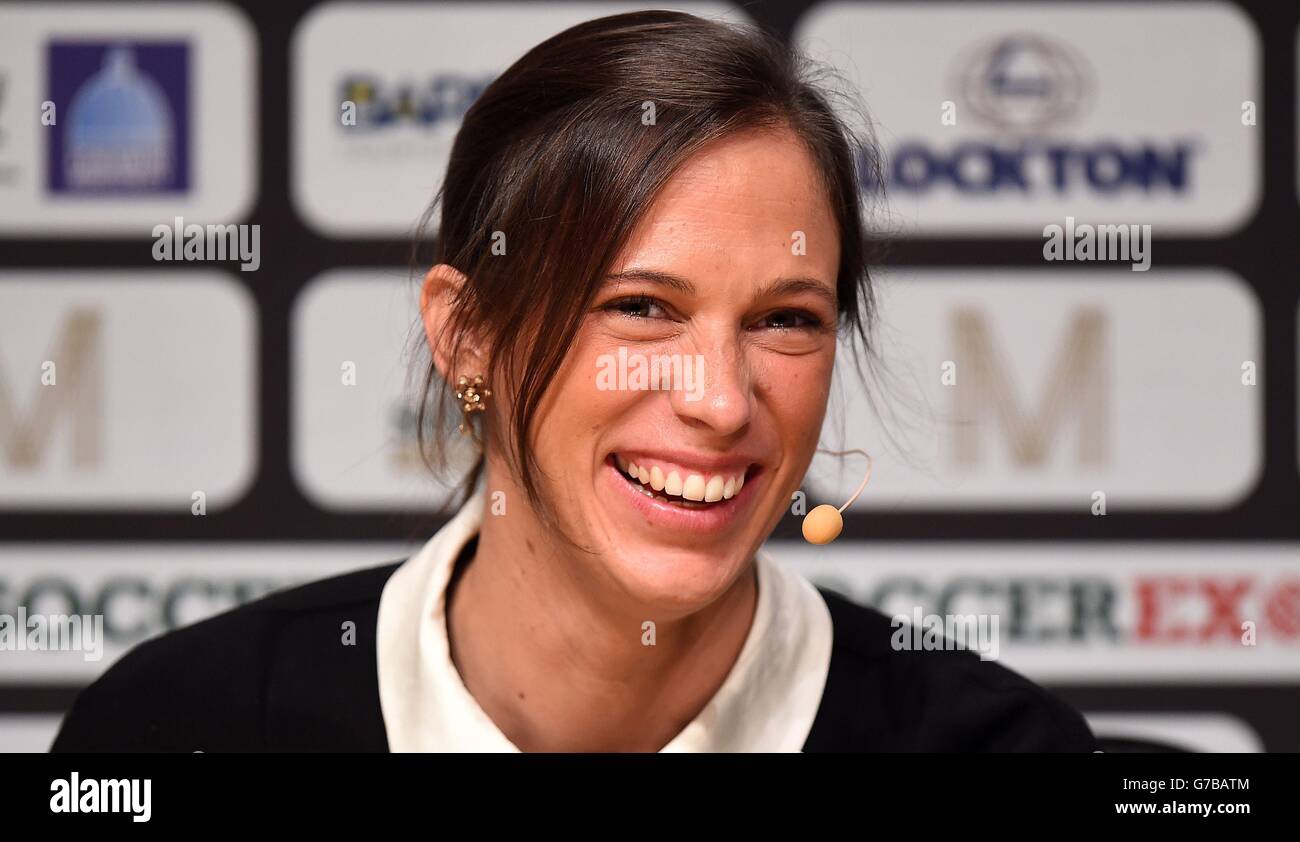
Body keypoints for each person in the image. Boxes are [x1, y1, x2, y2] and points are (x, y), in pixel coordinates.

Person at [51, 10, 1098, 753]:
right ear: (465, 335)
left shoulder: (994, 742)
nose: (721, 400)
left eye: (786, 319)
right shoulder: (178, 728)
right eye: (642, 306)